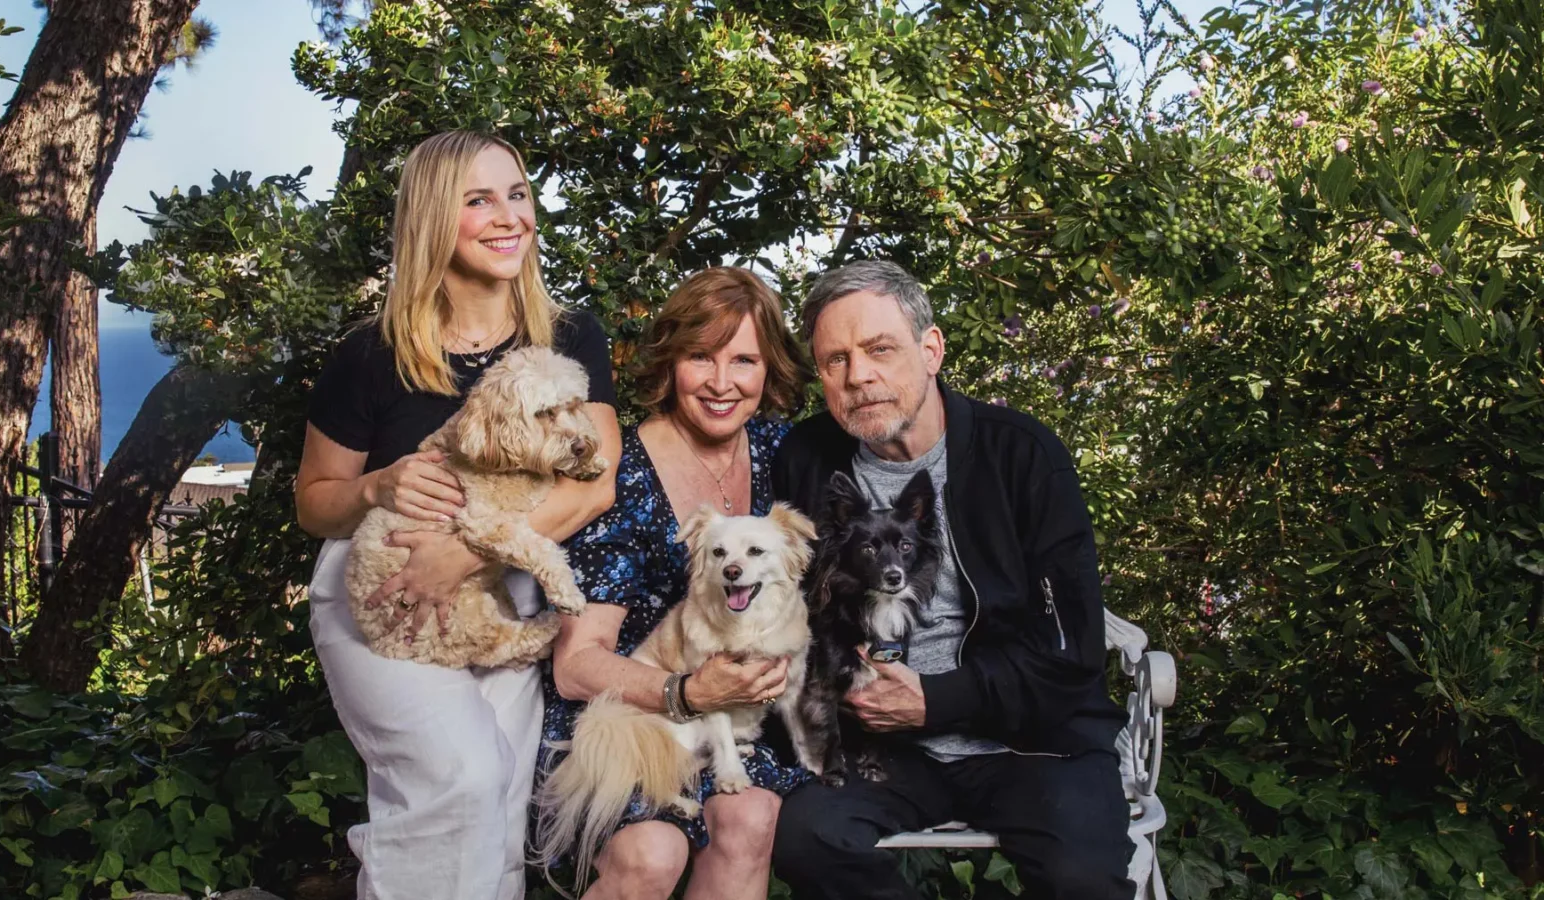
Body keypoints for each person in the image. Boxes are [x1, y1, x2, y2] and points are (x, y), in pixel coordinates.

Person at [294, 130, 621, 900]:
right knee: (459, 779)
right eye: (480, 200)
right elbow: (315, 502)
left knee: (501, 796)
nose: (510, 216)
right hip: (384, 590)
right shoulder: (370, 353)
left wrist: (470, 556)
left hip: (506, 579)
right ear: (435, 218)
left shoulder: (569, 335)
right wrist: (377, 487)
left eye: (517, 194)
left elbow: (594, 481)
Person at [769, 260, 1134, 900]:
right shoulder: (807, 459)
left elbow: (1072, 652)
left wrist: (939, 699)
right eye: (835, 360)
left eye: (880, 349)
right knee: (807, 836)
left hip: (1035, 745)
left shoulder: (1021, 455)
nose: (859, 376)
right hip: (881, 749)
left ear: (931, 349)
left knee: (1082, 877)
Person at [543, 267, 815, 900]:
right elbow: (576, 665)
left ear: (768, 369)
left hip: (735, 719)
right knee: (651, 853)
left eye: (744, 359)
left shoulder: (785, 454)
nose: (723, 383)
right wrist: (686, 691)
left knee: (750, 818)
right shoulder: (618, 472)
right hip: (621, 712)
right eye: (701, 357)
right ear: (670, 362)